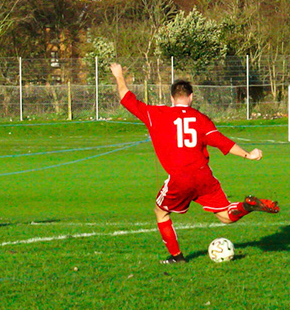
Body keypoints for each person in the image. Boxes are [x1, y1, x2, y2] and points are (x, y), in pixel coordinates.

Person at [110, 62, 279, 263]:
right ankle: (246, 206)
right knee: (225, 216)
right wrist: (248, 154)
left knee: (161, 212)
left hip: (180, 178)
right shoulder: (200, 118)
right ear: (191, 97)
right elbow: (221, 141)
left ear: (172, 98)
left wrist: (119, 75)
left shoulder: (156, 114)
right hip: (203, 175)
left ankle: (177, 257)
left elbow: (126, 98)